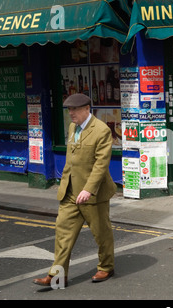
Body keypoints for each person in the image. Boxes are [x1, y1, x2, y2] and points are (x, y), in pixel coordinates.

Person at [33, 93, 117, 287]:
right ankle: (57, 275)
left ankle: (106, 266)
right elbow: (72, 159)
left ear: (87, 109)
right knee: (63, 234)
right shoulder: (72, 127)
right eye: (69, 110)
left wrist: (89, 189)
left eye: (75, 109)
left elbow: (100, 164)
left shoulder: (101, 130)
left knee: (101, 233)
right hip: (70, 191)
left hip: (92, 193)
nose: (71, 113)